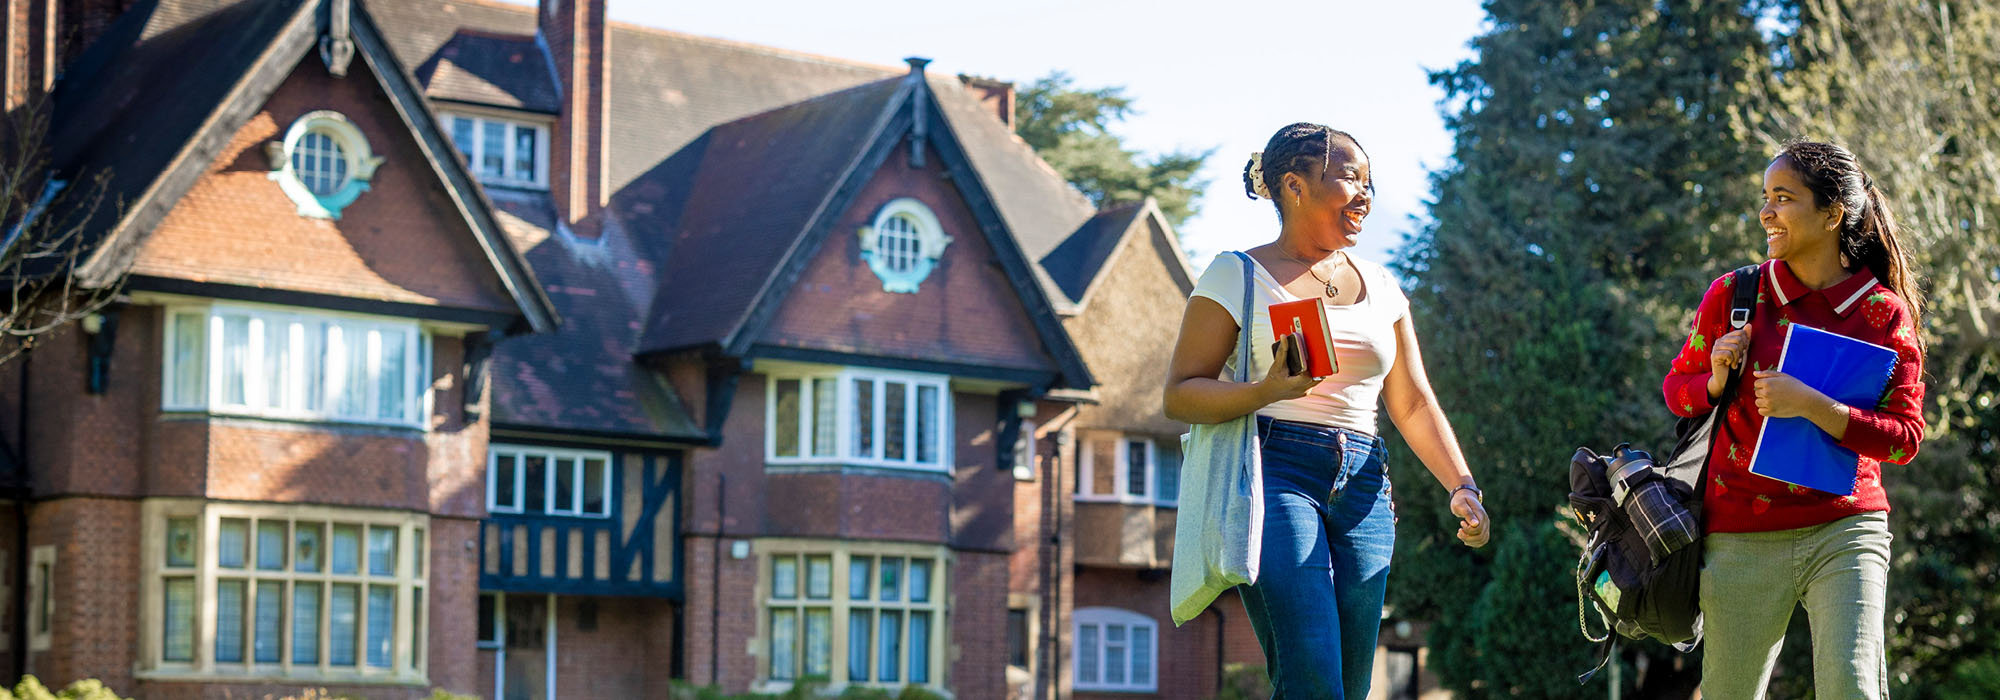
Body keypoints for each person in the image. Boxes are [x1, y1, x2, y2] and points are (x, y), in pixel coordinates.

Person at [1162, 122, 1490, 699]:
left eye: (1369, 182)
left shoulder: (1383, 286)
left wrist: (1461, 485)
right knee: (1312, 672)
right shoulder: (1236, 274)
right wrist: (1265, 391)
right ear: (1294, 185)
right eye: (1349, 179)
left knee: (1351, 682)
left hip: (1364, 483)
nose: (1365, 195)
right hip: (1274, 470)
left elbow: (1412, 400)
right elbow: (1181, 392)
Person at [1662, 140, 1926, 699]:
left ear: (1833, 213)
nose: (1766, 212)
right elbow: (1676, 392)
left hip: (1846, 528)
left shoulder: (1883, 312)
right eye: (1765, 198)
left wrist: (1813, 406)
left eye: (1784, 198)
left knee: (1853, 688)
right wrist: (1713, 380)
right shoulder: (1735, 295)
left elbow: (1904, 440)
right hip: (1740, 532)